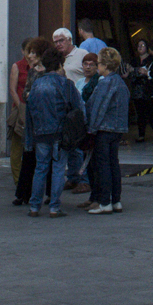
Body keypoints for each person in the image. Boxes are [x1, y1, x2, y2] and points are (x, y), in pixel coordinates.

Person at [25, 45, 83, 218]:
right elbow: (77, 108)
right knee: (58, 169)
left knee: (40, 168)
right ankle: (54, 207)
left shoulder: (36, 84)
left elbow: (29, 111)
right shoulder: (65, 84)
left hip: (41, 132)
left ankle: (34, 206)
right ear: (59, 65)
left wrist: (30, 137)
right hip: (60, 133)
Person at [84, 46, 130, 214]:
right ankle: (116, 200)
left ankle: (104, 202)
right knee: (114, 164)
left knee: (103, 166)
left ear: (104, 64)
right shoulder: (121, 83)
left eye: (98, 63)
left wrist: (91, 129)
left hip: (104, 129)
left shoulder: (105, 83)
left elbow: (98, 108)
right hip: (118, 129)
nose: (97, 66)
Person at [8, 36, 48, 204]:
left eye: (32, 52)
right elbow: (15, 90)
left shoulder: (43, 71)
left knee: (35, 154)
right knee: (22, 150)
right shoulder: (19, 67)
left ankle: (33, 192)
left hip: (39, 116)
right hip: (23, 111)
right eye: (28, 52)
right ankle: (22, 188)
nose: (29, 55)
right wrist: (21, 108)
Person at [52, 28, 89, 191]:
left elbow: (91, 71)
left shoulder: (82, 54)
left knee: (81, 144)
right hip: (63, 107)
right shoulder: (57, 59)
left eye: (61, 40)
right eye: (55, 42)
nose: (58, 44)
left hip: (79, 105)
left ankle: (84, 179)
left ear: (70, 39)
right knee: (70, 144)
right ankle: (73, 177)